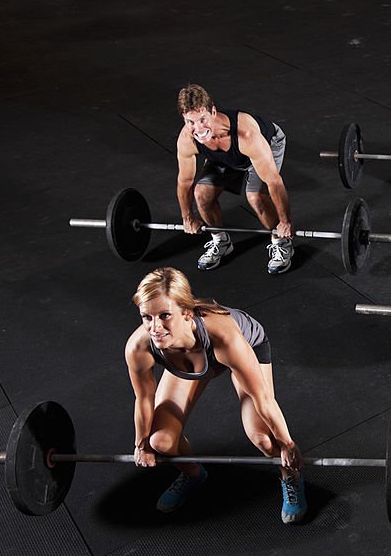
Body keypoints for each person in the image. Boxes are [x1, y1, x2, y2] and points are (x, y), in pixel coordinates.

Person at [125, 267, 307, 523]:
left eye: (164, 315)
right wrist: (140, 445)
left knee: (263, 438)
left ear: (186, 313)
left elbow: (263, 399)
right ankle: (192, 473)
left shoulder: (225, 336)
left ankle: (291, 476)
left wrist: (287, 443)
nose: (154, 328)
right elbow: (144, 399)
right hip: (188, 359)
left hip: (243, 347)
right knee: (161, 442)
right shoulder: (139, 346)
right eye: (147, 317)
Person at [175, 84, 294, 274]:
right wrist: (187, 217)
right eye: (190, 122)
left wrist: (285, 222)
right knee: (201, 194)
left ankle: (282, 243)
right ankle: (221, 241)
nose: (198, 128)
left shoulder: (246, 134)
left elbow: (274, 181)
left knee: (255, 197)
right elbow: (185, 182)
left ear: (213, 111)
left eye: (202, 119)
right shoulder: (187, 139)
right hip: (227, 156)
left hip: (267, 145)